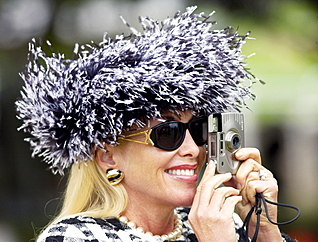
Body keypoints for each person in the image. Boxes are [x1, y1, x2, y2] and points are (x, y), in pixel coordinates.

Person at [16, 6, 295, 242]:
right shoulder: (75, 237)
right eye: (168, 133)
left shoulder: (220, 224)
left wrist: (267, 231)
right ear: (107, 155)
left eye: (197, 129)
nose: (193, 150)